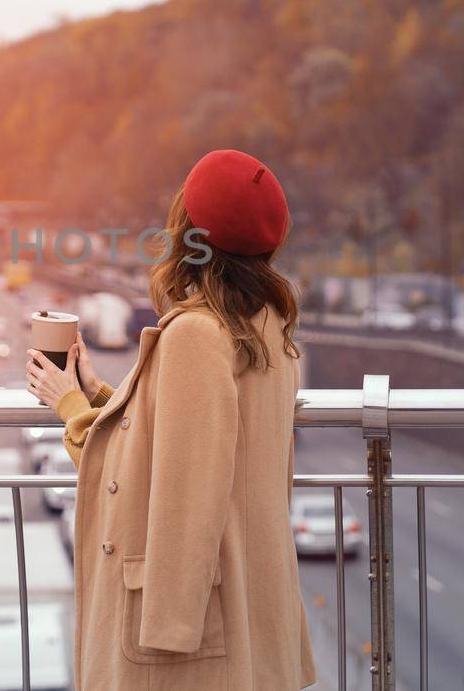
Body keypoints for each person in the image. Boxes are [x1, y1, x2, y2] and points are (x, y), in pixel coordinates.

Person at [26, 149, 316, 690]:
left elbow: (157, 482)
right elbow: (184, 439)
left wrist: (68, 405)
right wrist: (100, 394)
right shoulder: (267, 324)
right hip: (250, 599)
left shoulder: (196, 335)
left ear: (190, 230)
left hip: (191, 637)